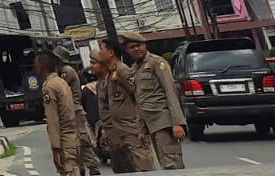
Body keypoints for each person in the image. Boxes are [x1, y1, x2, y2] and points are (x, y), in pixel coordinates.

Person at [121, 32, 185, 169]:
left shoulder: (157, 63)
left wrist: (177, 123)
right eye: (132, 47)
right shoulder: (135, 69)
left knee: (172, 165)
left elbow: (171, 92)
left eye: (139, 45)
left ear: (145, 45)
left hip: (164, 121)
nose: (136, 49)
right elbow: (140, 100)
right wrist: (141, 130)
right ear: (127, 50)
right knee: (164, 164)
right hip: (151, 124)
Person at [94, 41, 152, 172]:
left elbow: (138, 95)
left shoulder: (122, 70)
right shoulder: (110, 74)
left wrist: (141, 126)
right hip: (117, 131)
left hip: (131, 128)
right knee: (122, 169)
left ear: (111, 52)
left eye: (101, 49)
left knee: (143, 166)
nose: (99, 52)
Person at [38, 49, 81, 176]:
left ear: (41, 65)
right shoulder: (61, 81)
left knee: (68, 171)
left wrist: (56, 148)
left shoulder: (49, 86)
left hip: (64, 141)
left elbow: (53, 120)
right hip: (72, 137)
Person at [59, 55, 101, 176]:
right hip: (69, 110)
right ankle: (81, 167)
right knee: (72, 143)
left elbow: (61, 87)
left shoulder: (66, 71)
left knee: (82, 141)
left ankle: (92, 166)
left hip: (74, 110)